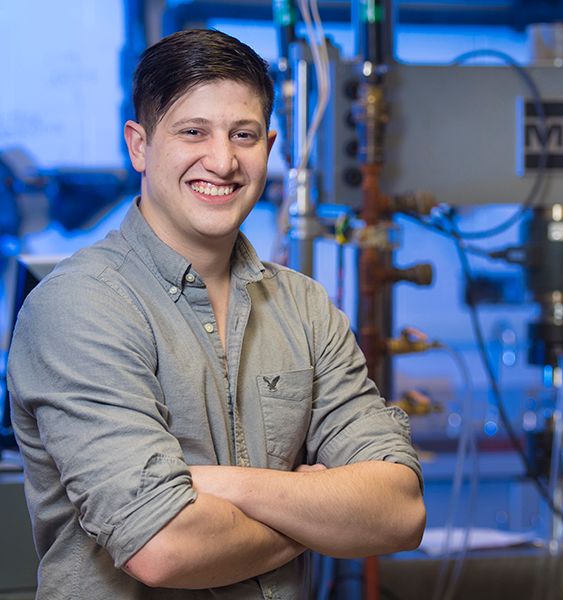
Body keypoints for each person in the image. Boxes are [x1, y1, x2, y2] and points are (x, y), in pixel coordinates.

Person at [7, 29, 425, 599]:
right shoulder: (81, 306)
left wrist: (226, 486)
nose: (223, 161)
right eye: (193, 132)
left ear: (269, 147)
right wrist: (316, 517)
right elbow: (164, 547)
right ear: (138, 145)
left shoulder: (305, 307)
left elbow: (400, 512)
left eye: (243, 135)